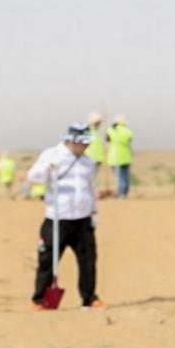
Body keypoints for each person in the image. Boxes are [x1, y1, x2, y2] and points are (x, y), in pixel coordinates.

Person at [26, 124, 104, 310]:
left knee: (88, 260)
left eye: (86, 144)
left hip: (82, 219)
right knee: (48, 260)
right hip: (57, 219)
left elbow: (91, 188)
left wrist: (94, 212)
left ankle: (89, 298)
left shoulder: (88, 161)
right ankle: (39, 300)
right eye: (81, 143)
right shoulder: (52, 155)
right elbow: (33, 176)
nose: (84, 147)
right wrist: (48, 168)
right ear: (70, 141)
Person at [106, 115, 134, 198]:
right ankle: (124, 193)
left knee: (119, 177)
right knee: (125, 177)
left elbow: (107, 140)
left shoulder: (110, 130)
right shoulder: (127, 130)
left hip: (114, 157)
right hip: (126, 157)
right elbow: (130, 139)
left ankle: (121, 194)